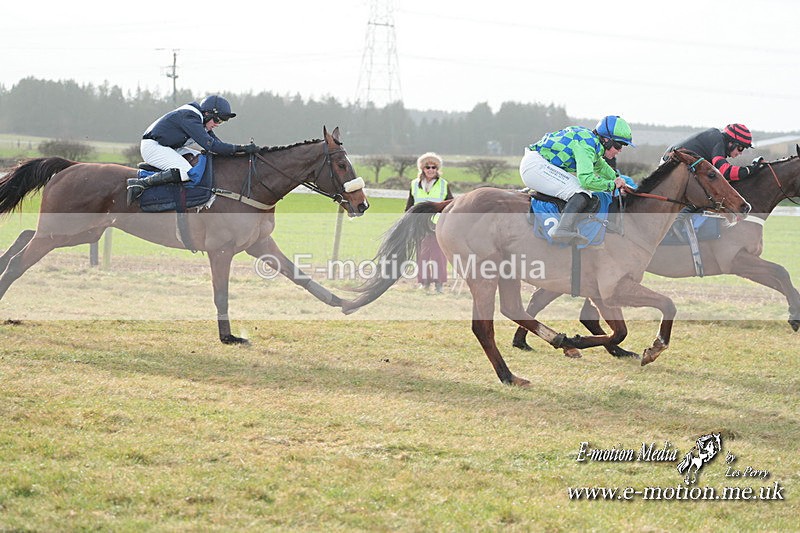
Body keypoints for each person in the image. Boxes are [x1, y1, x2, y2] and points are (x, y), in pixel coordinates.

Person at [519, 115, 634, 245]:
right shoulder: (587, 146)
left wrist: (617, 179)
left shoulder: (592, 143)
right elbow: (586, 180)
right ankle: (562, 230)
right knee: (582, 191)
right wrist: (611, 185)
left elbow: (600, 166)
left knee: (582, 191)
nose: (620, 150)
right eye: (619, 145)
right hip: (535, 166)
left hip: (537, 163)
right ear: (606, 140)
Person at [127, 95, 260, 205]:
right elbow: (212, 146)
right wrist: (242, 148)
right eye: (217, 120)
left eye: (222, 122)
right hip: (153, 147)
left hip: (171, 148)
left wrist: (242, 152)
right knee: (185, 172)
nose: (217, 124)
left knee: (206, 161)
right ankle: (141, 184)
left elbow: (218, 145)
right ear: (207, 113)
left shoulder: (201, 120)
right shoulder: (190, 117)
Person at [405, 152, 453, 293]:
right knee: (422, 255)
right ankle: (424, 282)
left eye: (434, 167)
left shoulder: (444, 185)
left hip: (438, 226)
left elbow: (450, 205)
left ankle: (439, 284)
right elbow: (410, 205)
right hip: (420, 226)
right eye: (428, 167)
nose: (431, 170)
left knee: (439, 255)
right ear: (423, 169)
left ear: (437, 169)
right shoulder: (414, 184)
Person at [663, 123, 762, 182]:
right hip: (672, 164)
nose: (740, 153)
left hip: (676, 164)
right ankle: (683, 217)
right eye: (741, 148)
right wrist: (751, 169)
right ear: (731, 143)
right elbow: (725, 172)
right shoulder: (718, 141)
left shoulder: (717, 140)